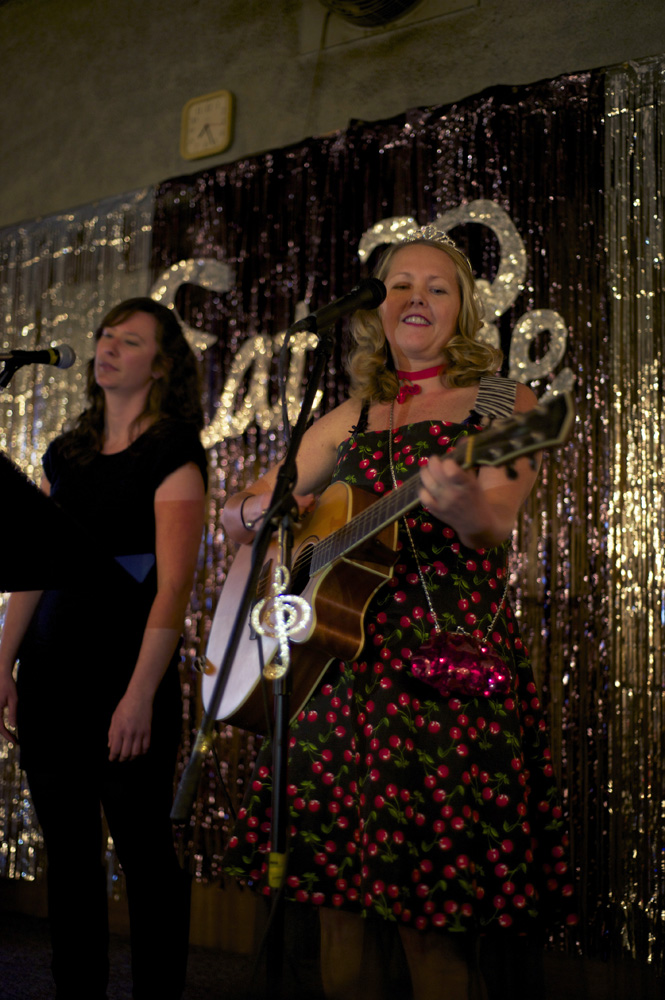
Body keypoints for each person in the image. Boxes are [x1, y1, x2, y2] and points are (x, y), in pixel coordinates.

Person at [220, 228, 575, 1000]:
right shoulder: (349, 414)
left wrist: (458, 504)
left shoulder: (503, 403)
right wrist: (270, 517)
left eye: (436, 287)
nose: (415, 298)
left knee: (431, 927)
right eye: (399, 285)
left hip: (436, 676)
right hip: (332, 679)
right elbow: (238, 517)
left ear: (462, 311)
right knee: (337, 917)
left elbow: (495, 524)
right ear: (376, 309)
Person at [0, 297, 207, 1000]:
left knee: (146, 856)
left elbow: (173, 585)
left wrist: (140, 694)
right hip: (53, 673)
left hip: (125, 675)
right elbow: (35, 562)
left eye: (130, 339)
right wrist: (1, 662)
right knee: (70, 859)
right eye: (105, 336)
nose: (109, 346)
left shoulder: (172, 449)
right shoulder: (68, 453)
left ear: (160, 364)